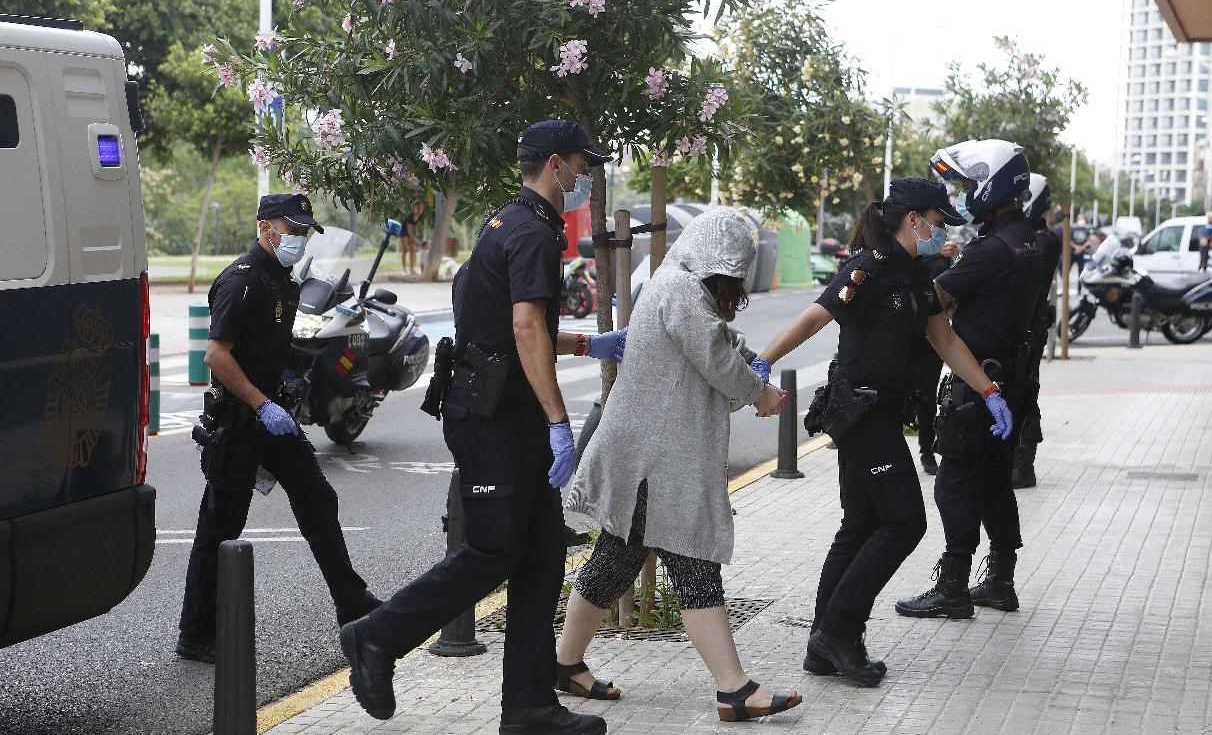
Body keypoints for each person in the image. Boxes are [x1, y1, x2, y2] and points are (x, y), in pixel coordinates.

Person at [338, 120, 625, 734]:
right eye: (582, 165)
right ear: (555, 165)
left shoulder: (511, 222)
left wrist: (587, 343)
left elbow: (514, 327)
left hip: (504, 408)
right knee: (495, 549)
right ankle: (377, 636)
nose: (586, 178)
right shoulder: (532, 234)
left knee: (543, 557)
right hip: (494, 418)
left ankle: (529, 710)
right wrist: (559, 421)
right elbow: (523, 330)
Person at [752, 179, 1011, 685]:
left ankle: (821, 646)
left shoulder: (918, 273)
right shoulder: (868, 266)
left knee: (861, 525)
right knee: (905, 521)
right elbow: (815, 317)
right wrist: (762, 362)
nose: (941, 233)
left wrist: (988, 390)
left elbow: (945, 338)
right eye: (937, 223)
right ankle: (841, 632)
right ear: (913, 219)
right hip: (860, 411)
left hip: (886, 410)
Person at [558, 209, 800, 722]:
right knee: (694, 563)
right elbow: (716, 360)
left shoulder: (675, 282)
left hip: (647, 457)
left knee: (610, 566)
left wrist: (752, 366)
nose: (736, 286)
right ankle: (734, 690)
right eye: (735, 275)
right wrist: (761, 391)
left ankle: (562, 665)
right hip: (655, 462)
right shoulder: (684, 292)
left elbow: (720, 344)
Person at [176, 193, 381, 664]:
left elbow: (273, 347)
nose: (299, 239)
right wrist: (262, 403)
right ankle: (196, 634)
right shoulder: (242, 282)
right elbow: (217, 355)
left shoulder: (282, 281)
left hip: (273, 416)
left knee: (318, 500)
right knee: (221, 527)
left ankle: (352, 603)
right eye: (292, 230)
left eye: (305, 232)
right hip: (240, 421)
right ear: (265, 227)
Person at [895, 140, 1048, 620]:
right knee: (995, 480)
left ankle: (954, 585)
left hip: (979, 382)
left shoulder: (988, 251)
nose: (961, 195)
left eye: (966, 185)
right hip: (1016, 382)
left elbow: (931, 302)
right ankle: (1001, 579)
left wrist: (927, 272)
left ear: (992, 183)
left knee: (955, 481)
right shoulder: (1034, 240)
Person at [1012, 174, 1062, 489]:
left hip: (1030, 326)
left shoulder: (1042, 239)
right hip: (1023, 323)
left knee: (1025, 390)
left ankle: (1023, 463)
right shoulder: (1031, 236)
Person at [914, 236, 960, 476]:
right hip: (902, 337)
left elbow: (948, 291)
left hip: (933, 335)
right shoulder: (905, 248)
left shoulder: (944, 256)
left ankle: (927, 450)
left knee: (926, 396)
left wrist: (949, 258)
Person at [399, 197, 425, 275]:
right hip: (403, 233)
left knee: (413, 250)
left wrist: (415, 239)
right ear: (414, 208)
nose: (421, 209)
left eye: (422, 207)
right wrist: (416, 241)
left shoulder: (419, 217)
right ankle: (404, 270)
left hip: (410, 234)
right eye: (419, 207)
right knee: (405, 250)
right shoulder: (410, 216)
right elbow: (409, 230)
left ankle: (411, 270)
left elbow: (415, 229)